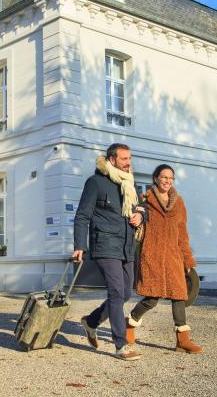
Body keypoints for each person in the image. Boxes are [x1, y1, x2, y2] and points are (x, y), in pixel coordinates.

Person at [72, 143, 145, 361]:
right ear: (111, 160)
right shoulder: (95, 182)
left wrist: (141, 216)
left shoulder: (130, 183)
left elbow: (142, 207)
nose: (128, 162)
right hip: (104, 245)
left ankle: (91, 321)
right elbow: (82, 215)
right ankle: (121, 345)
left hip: (126, 246)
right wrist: (79, 245)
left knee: (125, 293)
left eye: (129, 158)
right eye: (124, 159)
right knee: (115, 292)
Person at [125, 164, 203, 354]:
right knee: (152, 298)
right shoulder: (146, 200)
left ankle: (183, 340)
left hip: (174, 257)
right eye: (164, 177)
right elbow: (139, 213)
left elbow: (182, 233)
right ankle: (129, 324)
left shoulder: (179, 203)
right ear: (155, 178)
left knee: (179, 295)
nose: (167, 181)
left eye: (171, 178)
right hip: (152, 255)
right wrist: (138, 215)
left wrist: (187, 260)